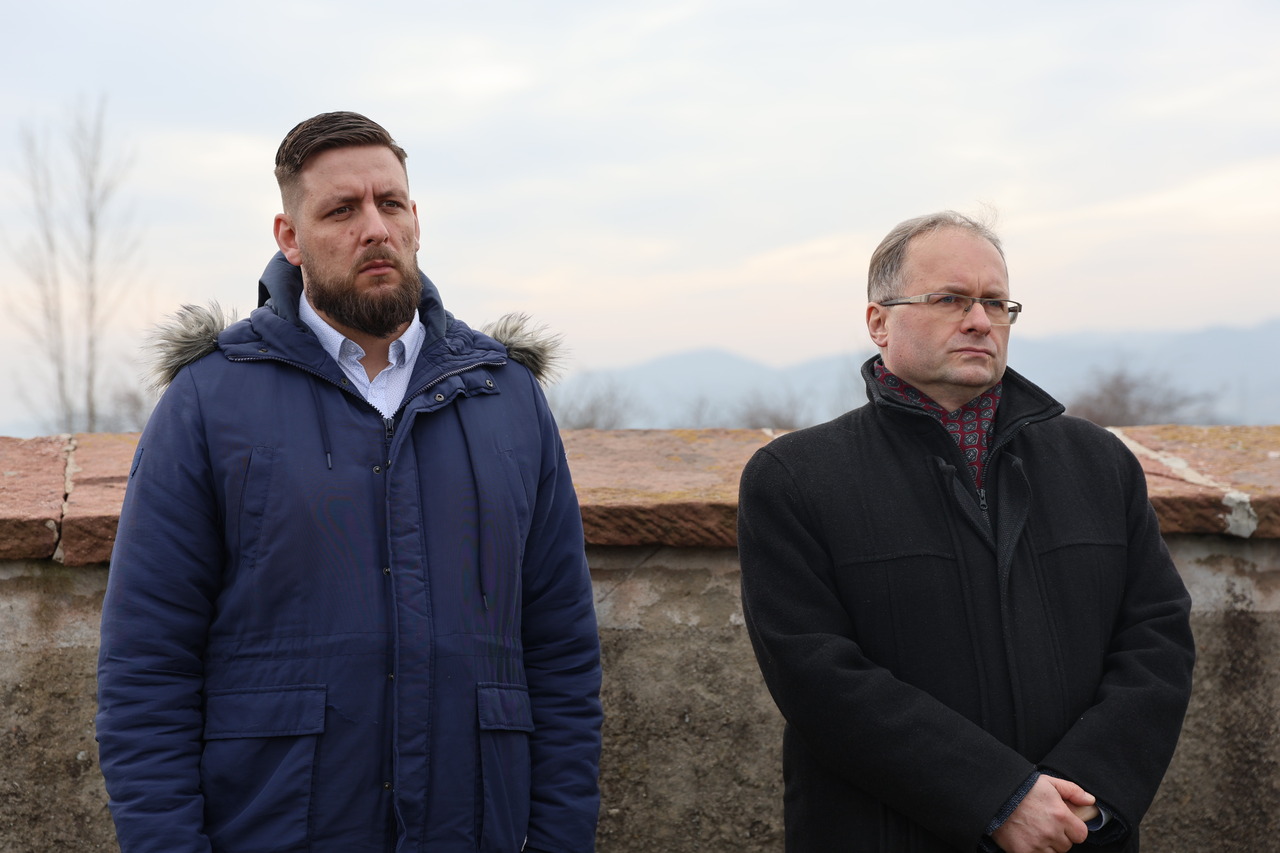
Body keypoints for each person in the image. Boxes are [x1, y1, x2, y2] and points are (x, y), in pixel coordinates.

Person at [96, 112, 602, 853]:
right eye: (341, 210)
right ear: (290, 237)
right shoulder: (209, 401)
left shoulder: (506, 398)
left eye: (390, 203)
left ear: (416, 220)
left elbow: (561, 653)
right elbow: (147, 666)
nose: (375, 228)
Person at [737, 211, 1195, 853]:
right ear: (878, 322)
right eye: (950, 299)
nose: (980, 320)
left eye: (996, 303)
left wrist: (1084, 800)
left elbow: (1157, 639)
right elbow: (817, 677)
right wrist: (997, 799)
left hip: (1078, 837)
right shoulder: (794, 477)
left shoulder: (1098, 462)